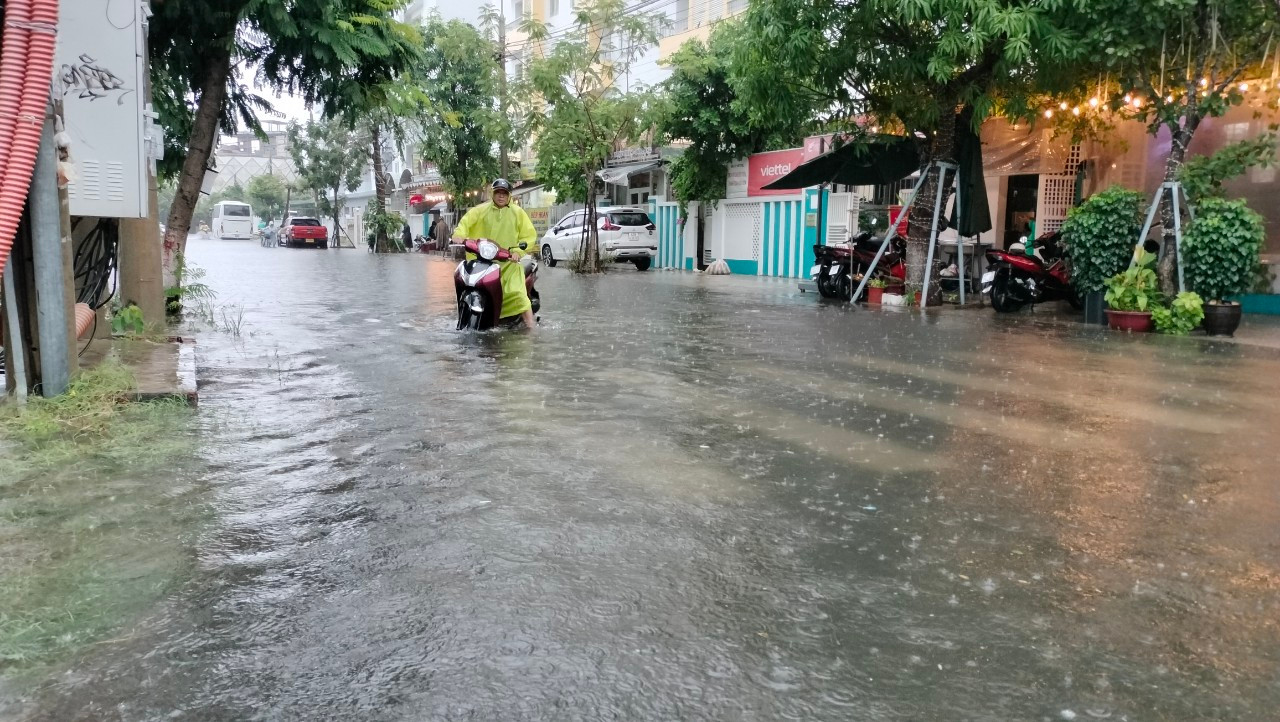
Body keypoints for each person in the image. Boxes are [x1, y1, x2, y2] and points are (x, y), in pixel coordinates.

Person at [453, 179, 537, 328]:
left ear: (509, 195)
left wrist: (518, 251)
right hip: (484, 262)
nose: (501, 196)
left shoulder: (517, 213)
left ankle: (532, 328)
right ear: (493, 193)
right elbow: (465, 222)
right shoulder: (481, 210)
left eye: (504, 193)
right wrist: (459, 235)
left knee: (518, 295)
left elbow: (528, 235)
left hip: (509, 263)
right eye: (498, 192)